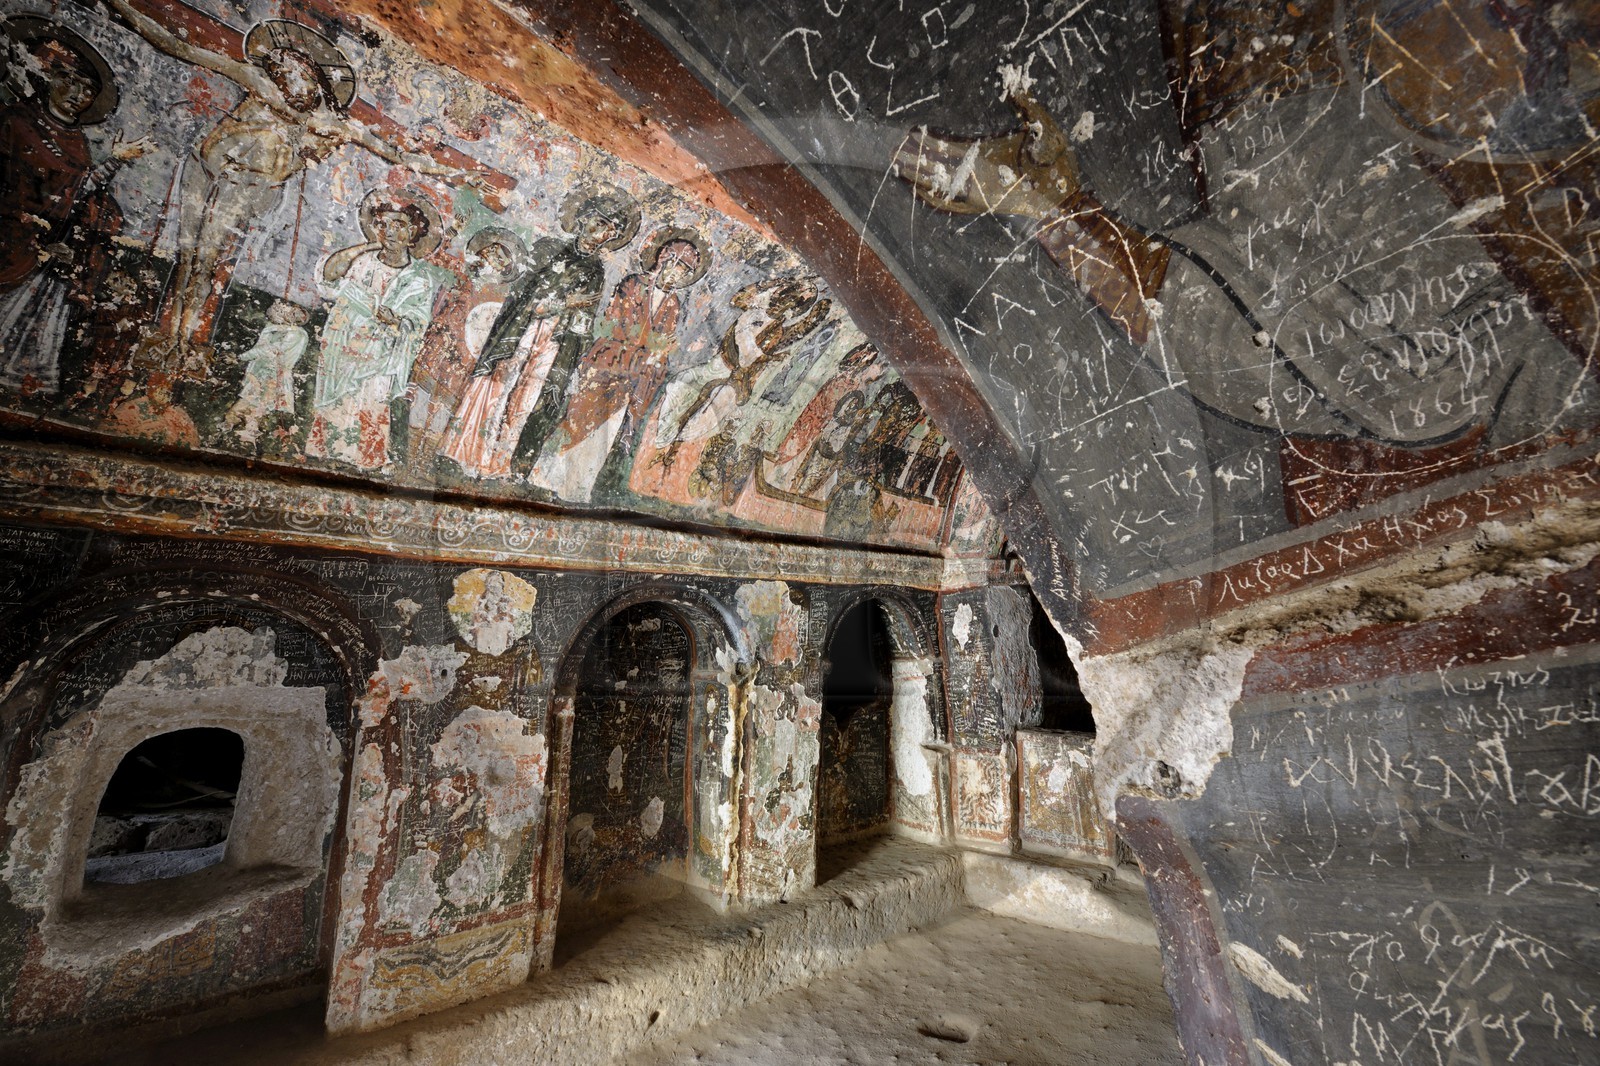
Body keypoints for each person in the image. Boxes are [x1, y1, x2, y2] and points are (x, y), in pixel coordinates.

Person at [102, 2, 492, 377]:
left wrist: (457, 174)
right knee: (186, 258)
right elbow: (181, 47)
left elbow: (394, 153)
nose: (287, 79)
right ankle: (168, 335)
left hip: (245, 186)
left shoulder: (329, 123)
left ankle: (183, 340)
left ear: (312, 75)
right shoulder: (261, 85)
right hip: (204, 171)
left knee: (206, 261)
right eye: (281, 70)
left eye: (296, 71)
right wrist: (123, 9)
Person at [439, 185, 639, 480]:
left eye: (610, 231)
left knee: (528, 400)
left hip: (555, 343)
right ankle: (465, 454)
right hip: (523, 331)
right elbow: (525, 296)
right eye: (599, 224)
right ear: (583, 220)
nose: (602, 234)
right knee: (498, 388)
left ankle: (498, 465)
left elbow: (585, 317)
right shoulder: (549, 248)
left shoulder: (596, 270)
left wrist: (579, 327)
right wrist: (563, 302)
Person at [0, 18, 152, 394]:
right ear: (46, 76)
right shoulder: (16, 122)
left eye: (86, 88)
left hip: (57, 250)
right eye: (67, 78)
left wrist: (115, 162)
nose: (76, 93)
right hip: (15, 240)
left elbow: (78, 192)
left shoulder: (77, 142)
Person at [527, 227, 709, 502]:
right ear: (664, 259)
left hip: (634, 376)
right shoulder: (634, 284)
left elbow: (663, 343)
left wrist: (660, 353)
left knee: (605, 434)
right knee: (578, 421)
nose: (679, 276)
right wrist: (653, 345)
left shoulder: (673, 303)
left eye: (685, 273)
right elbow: (614, 323)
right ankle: (544, 476)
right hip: (606, 364)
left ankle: (576, 491)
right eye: (678, 267)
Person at [305, 191, 448, 471]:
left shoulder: (420, 277)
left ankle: (367, 460)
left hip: (384, 351)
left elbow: (418, 323)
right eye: (383, 224)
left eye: (399, 225)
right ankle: (327, 453)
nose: (390, 232)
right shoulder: (363, 261)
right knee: (341, 399)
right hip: (346, 344)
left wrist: (395, 320)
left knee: (373, 399)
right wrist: (364, 247)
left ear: (413, 232)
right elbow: (328, 279)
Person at [405, 227, 526, 464]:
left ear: (505, 268)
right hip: (440, 345)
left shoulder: (502, 296)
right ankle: (410, 459)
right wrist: (450, 233)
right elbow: (435, 257)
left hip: (465, 357)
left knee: (444, 410)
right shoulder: (465, 275)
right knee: (421, 398)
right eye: (490, 251)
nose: (492, 258)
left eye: (499, 258)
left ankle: (424, 462)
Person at [223, 299, 310, 445]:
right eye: (289, 310)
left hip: (273, 379)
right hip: (263, 375)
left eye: (293, 313)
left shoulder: (296, 334)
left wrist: (240, 358)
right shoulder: (276, 328)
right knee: (242, 412)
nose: (289, 312)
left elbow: (269, 350)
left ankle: (243, 444)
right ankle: (227, 438)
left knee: (250, 414)